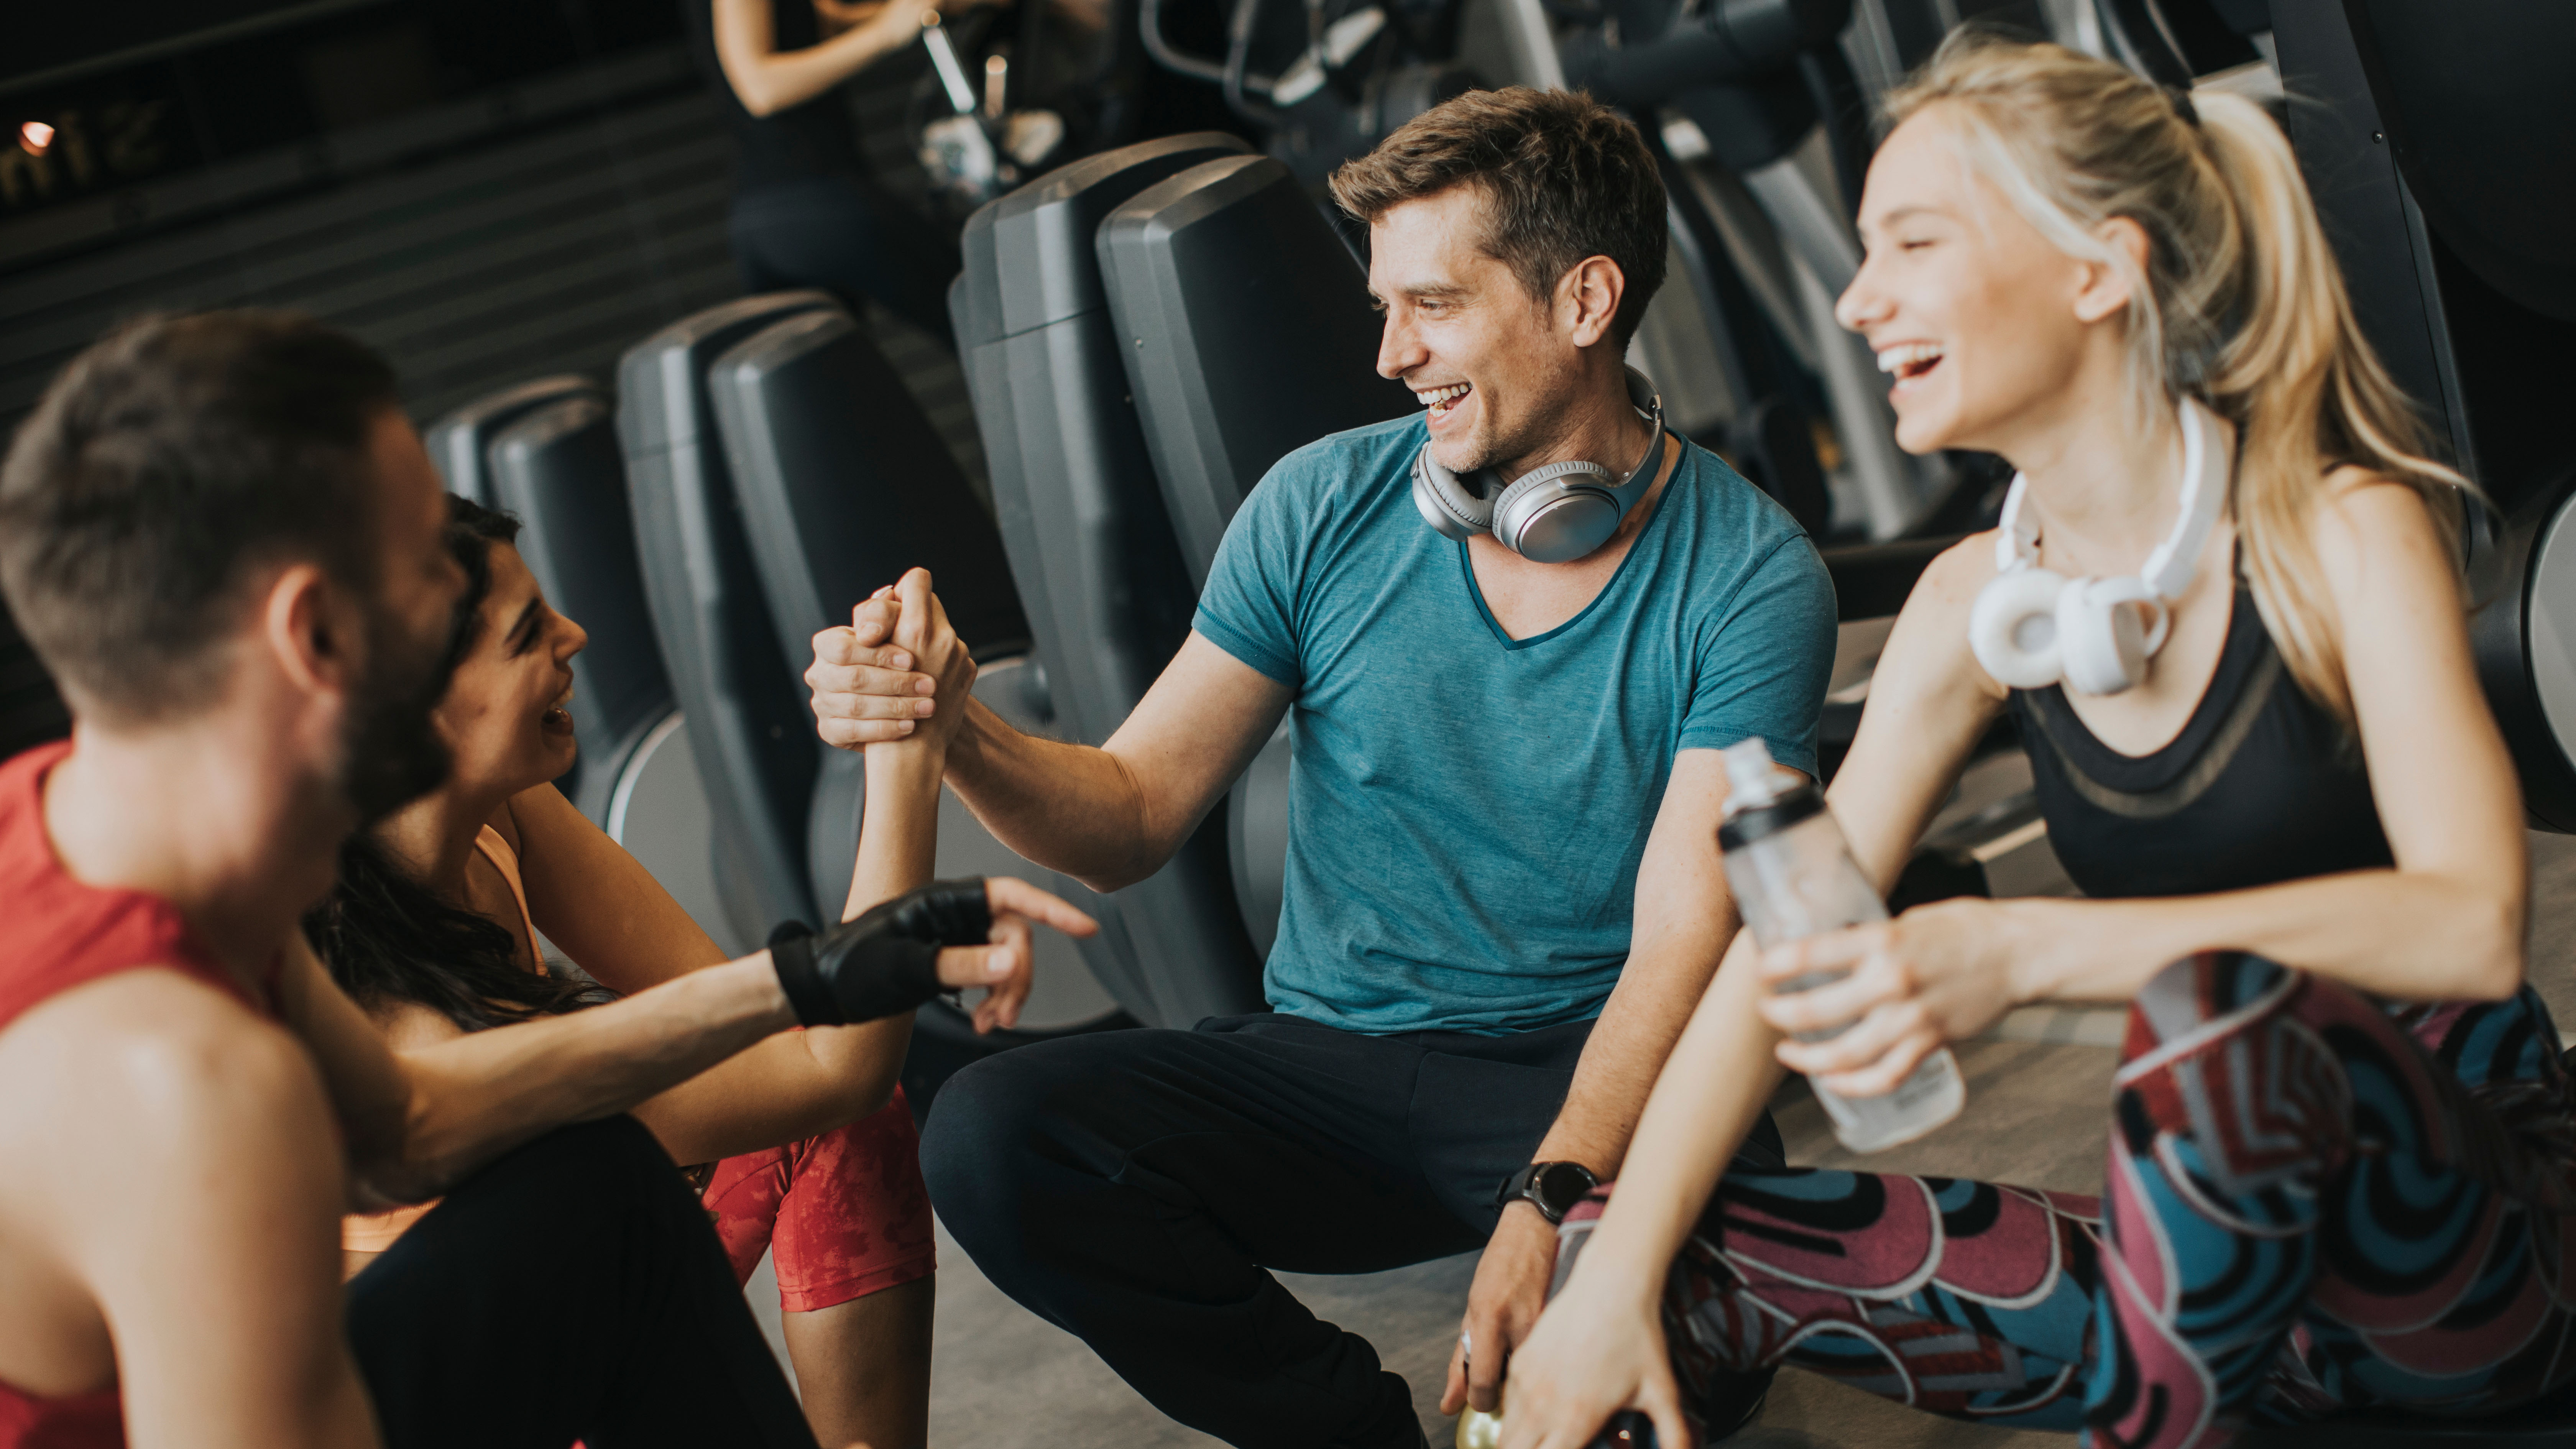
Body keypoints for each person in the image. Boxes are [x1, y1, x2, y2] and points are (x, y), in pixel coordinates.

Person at [1500, 34, 2572, 1449]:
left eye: (1912, 242)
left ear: (2094, 268)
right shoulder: (1966, 605)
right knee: (1626, 1248)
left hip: (2460, 1252)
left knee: (2209, 1027)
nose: (1855, 295)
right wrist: (1602, 1262)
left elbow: (2467, 925)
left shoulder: (2335, 530)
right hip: (2192, 1272)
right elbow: (1774, 964)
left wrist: (2017, 953)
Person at [804, 87, 1839, 1447]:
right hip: (1333, 1070)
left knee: (1643, 1369)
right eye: (1382, 310)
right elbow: (1127, 816)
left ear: (1586, 302)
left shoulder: (1748, 578)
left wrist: (1554, 1205)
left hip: (1594, 1069)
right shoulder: (1320, 504)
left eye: (1436, 307)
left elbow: (1680, 951)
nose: (1393, 356)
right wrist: (956, 725)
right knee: (996, 1137)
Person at [0, 309, 1088, 1449]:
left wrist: (806, 979)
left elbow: (403, 1126)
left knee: (595, 1188)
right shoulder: (184, 1086)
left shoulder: (115, 824)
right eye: (430, 558)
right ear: (316, 637)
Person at [307, 499, 999, 1449]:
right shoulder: (392, 1014)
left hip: (576, 1264)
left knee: (828, 1125)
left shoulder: (502, 811)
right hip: (483, 1398)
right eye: (526, 635)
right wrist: (909, 756)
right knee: (689, 1143)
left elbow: (769, 1052)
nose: (575, 636)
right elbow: (830, 1065)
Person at [690, 0, 971, 341]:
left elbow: (817, 22)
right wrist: (886, 33)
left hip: (766, 217)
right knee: (984, 321)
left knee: (833, 384)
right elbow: (760, 87)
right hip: (813, 198)